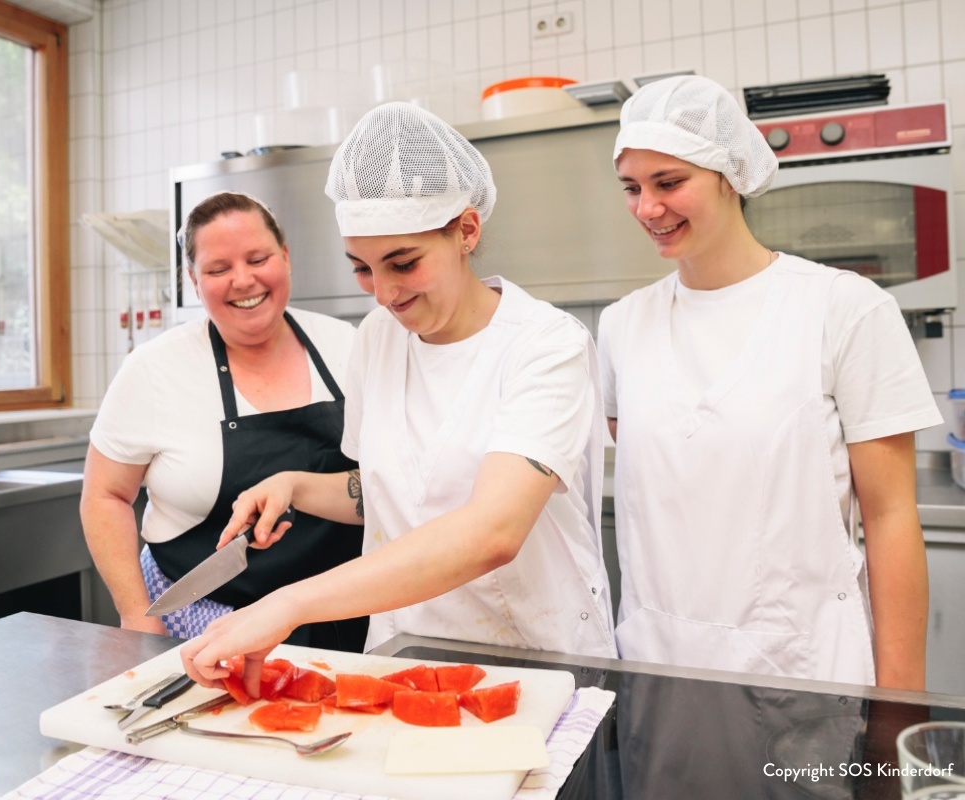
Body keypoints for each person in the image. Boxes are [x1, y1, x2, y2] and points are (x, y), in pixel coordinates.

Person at [180, 102, 616, 693]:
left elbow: (494, 532)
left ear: (466, 231)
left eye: (402, 263)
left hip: (533, 661)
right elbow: (387, 493)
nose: (383, 293)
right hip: (405, 654)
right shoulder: (379, 339)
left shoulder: (546, 345)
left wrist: (287, 605)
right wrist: (297, 486)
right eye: (361, 268)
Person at [599, 75, 939, 689]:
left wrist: (900, 701)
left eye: (669, 183)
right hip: (658, 661)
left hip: (804, 670)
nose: (647, 208)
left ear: (730, 175)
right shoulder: (623, 325)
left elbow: (891, 518)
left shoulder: (844, 308)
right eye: (632, 188)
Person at [80, 191, 367, 651]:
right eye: (218, 269)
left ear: (286, 257)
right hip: (204, 620)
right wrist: (134, 612)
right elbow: (104, 495)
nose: (243, 280)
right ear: (193, 280)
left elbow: (382, 483)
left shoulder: (348, 347)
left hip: (342, 612)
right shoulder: (155, 369)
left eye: (258, 258)